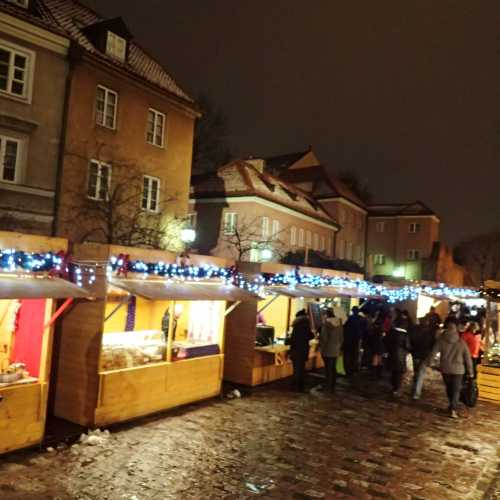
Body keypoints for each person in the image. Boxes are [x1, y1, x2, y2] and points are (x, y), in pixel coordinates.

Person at [426, 318, 474, 419]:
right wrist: (470, 372)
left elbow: (433, 353)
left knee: (449, 388)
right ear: (456, 329)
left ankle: (452, 405)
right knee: (456, 390)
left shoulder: (441, 340)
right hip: (458, 370)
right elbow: (467, 358)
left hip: (445, 369)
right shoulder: (461, 342)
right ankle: (453, 409)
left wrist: (429, 363)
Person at [409, 316, 436, 399]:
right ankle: (416, 393)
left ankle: (414, 389)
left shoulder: (414, 331)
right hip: (424, 355)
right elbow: (433, 345)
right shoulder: (430, 333)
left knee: (416, 372)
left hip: (416, 354)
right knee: (420, 374)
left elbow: (411, 341)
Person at [385, 319, 411, 397]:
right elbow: (408, 346)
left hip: (391, 355)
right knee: (399, 374)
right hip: (400, 357)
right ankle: (396, 390)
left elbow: (385, 341)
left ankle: (393, 388)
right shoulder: (405, 335)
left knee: (393, 373)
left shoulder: (390, 332)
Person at [289, 309, 314, 392]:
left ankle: (295, 386)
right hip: (303, 350)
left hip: (296, 350)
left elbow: (293, 339)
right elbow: (310, 336)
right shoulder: (307, 325)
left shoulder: (297, 326)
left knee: (296, 369)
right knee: (301, 369)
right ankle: (300, 387)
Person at [319, 309, 344, 392]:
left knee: (328, 369)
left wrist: (321, 347)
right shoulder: (340, 323)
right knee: (333, 368)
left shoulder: (326, 324)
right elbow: (341, 337)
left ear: (327, 315)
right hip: (336, 348)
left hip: (327, 349)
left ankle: (327, 386)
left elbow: (324, 338)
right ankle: (332, 385)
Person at [343, 306, 366, 376]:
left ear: (352, 311)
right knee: (355, 354)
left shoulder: (349, 318)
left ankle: (348, 370)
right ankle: (353, 369)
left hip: (349, 339)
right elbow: (364, 330)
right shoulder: (362, 319)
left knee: (347, 355)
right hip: (357, 339)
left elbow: (345, 329)